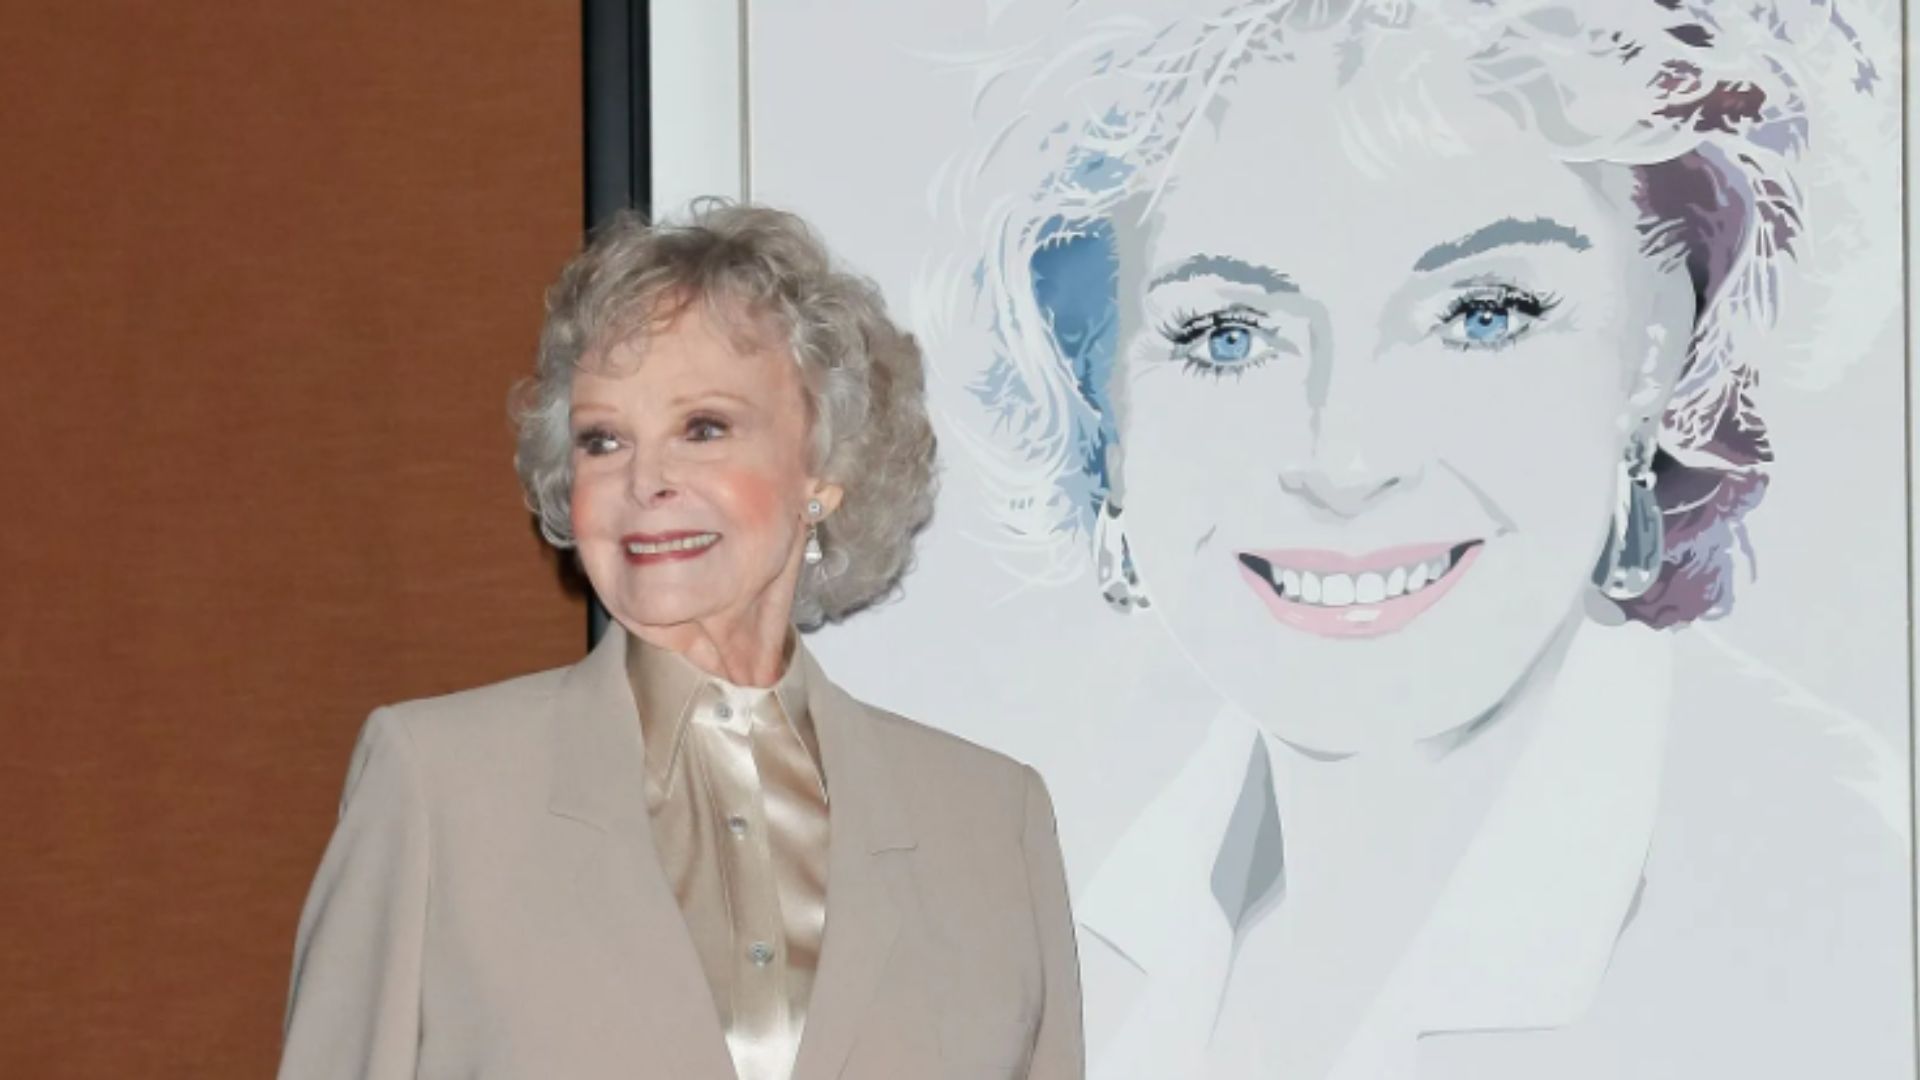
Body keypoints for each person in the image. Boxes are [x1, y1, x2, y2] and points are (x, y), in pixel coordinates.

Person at [943, 1, 1905, 1076]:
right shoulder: (1069, 926)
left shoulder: (1856, 905)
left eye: (1482, 314)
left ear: (1656, 360)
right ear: (1104, 414)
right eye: (1228, 335)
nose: (1344, 456)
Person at [276, 202, 1084, 1080]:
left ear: (827, 468)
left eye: (703, 428)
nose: (645, 479)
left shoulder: (990, 822)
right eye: (603, 440)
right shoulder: (438, 785)